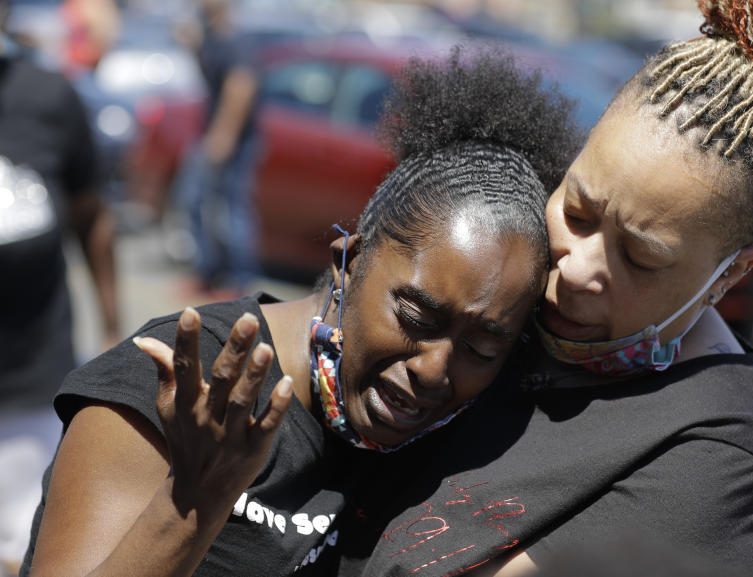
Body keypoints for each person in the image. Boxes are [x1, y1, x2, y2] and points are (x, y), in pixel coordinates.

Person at [339, 0, 753, 577]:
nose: (576, 269)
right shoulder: (496, 290)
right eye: (579, 209)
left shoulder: (713, 463)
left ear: (727, 277)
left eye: (640, 257)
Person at [19, 49, 582, 577]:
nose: (435, 369)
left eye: (482, 349)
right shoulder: (177, 392)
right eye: (416, 319)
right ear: (349, 264)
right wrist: (192, 499)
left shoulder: (444, 438)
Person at [0, 0, 118, 577]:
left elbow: (92, 217)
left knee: (32, 549)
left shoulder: (48, 96)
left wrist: (112, 324)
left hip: (29, 377)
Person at [177, 0, 260, 296]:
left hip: (234, 141)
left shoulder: (233, 40)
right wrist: (194, 48)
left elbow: (241, 87)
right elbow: (209, 79)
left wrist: (223, 135)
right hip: (212, 133)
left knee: (233, 211)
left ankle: (240, 281)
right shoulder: (211, 38)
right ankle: (208, 273)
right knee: (197, 203)